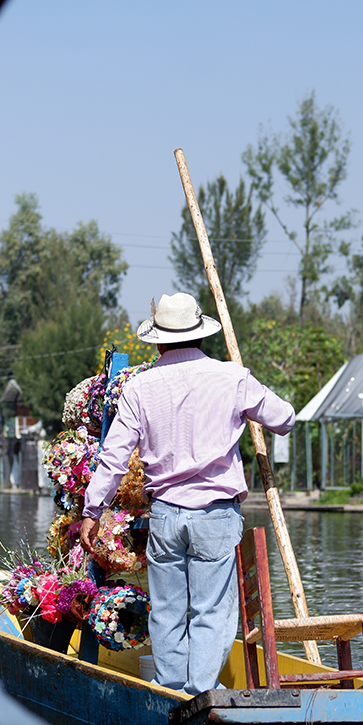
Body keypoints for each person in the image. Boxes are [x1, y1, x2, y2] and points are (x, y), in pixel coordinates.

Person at [80, 292, 294, 696]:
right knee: (212, 610)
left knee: (166, 609)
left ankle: (172, 690)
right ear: (200, 335)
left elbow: (114, 457)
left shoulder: (140, 388)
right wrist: (244, 395)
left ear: (158, 341)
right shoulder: (232, 377)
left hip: (166, 516)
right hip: (215, 514)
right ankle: (201, 694)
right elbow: (284, 418)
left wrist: (93, 510)